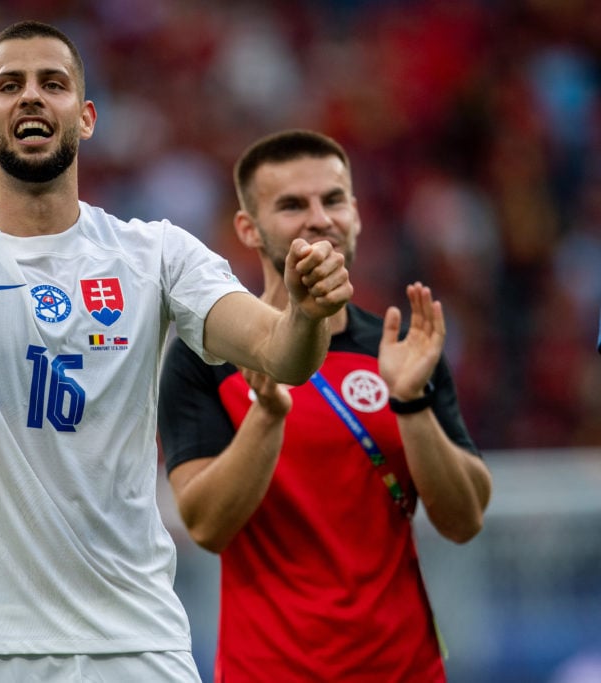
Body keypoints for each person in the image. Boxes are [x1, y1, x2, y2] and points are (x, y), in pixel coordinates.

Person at [0, 21, 352, 683]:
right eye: (9, 85)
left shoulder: (156, 254)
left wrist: (304, 311)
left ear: (88, 116)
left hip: (138, 643)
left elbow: (282, 353)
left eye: (54, 83)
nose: (32, 98)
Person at [158, 129, 493, 682]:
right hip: (269, 671)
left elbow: (464, 520)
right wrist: (266, 415)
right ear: (248, 228)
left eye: (333, 200)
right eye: (292, 205)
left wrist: (411, 402)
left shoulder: (402, 348)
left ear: (357, 216)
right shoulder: (206, 356)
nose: (319, 218)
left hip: (406, 669)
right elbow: (205, 526)